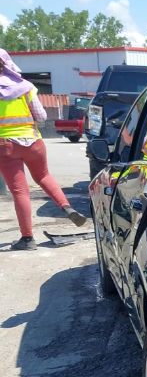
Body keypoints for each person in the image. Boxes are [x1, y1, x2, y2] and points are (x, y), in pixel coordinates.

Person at [0, 48, 86, 250]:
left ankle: (28, 238)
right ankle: (66, 206)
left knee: (20, 191)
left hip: (6, 146)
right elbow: (41, 116)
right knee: (44, 176)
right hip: (33, 141)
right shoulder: (25, 87)